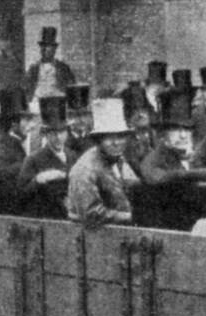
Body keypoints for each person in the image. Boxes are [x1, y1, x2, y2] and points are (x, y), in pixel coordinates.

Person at [134, 87, 206, 231]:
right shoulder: (154, 158)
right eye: (176, 130)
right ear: (163, 134)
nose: (183, 136)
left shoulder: (181, 158)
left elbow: (194, 205)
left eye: (186, 130)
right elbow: (157, 177)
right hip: (167, 236)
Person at [67, 97, 140, 227]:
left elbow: (132, 187)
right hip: (93, 237)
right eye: (109, 137)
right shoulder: (85, 169)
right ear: (99, 140)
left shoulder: (119, 160)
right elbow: (90, 213)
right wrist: (129, 216)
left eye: (120, 136)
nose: (116, 142)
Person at [18, 96, 79, 219]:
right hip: (45, 219)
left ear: (67, 132)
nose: (58, 137)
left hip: (71, 219)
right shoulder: (33, 159)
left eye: (61, 132)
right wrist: (38, 180)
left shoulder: (73, 156)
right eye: (53, 133)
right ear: (45, 134)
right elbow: (21, 195)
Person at [0, 87, 34, 214]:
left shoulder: (19, 143)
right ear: (14, 124)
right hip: (7, 211)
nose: (32, 125)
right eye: (27, 120)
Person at [23, 27, 76, 100]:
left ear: (54, 49)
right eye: (42, 46)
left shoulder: (63, 68)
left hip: (57, 104)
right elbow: (26, 90)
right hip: (38, 104)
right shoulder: (33, 68)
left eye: (48, 46)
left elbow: (72, 89)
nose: (44, 49)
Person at [121, 81, 156, 175]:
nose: (141, 114)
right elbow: (138, 170)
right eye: (134, 110)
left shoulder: (155, 135)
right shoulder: (128, 142)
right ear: (127, 118)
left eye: (143, 109)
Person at [65, 84, 92, 155]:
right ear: (68, 117)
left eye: (84, 114)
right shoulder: (62, 141)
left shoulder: (94, 139)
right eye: (75, 115)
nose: (81, 120)